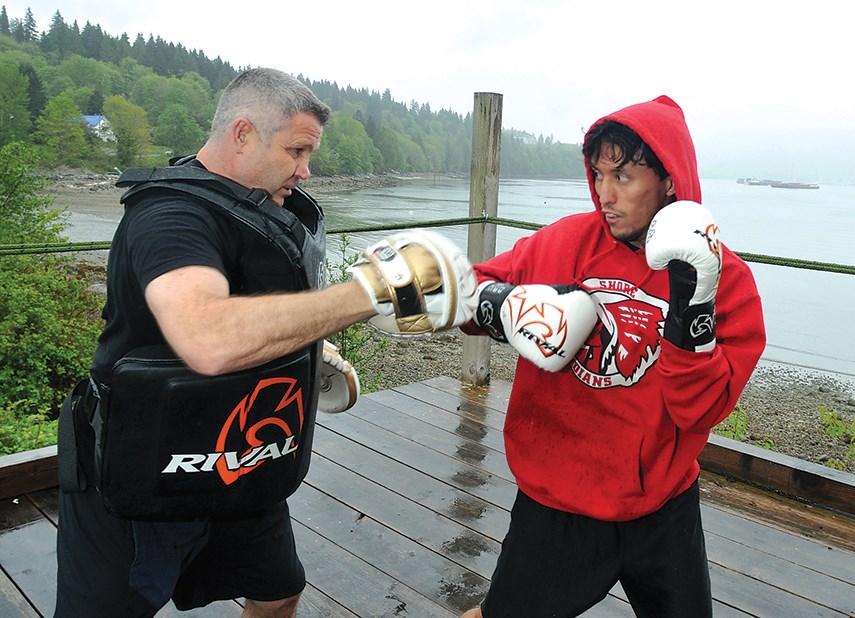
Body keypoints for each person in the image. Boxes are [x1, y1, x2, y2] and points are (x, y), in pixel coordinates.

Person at [55, 67, 475, 617]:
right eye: (296, 151)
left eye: (310, 155)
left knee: (278, 592)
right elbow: (206, 337)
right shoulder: (170, 216)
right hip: (140, 462)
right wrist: (371, 292)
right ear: (243, 133)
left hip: (241, 452)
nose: (304, 171)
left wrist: (306, 353)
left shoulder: (260, 211)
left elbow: (253, 310)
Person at [460, 95, 766, 617]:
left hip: (662, 507)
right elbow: (469, 292)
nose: (605, 194)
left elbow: (700, 411)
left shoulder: (727, 281)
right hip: (557, 504)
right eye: (599, 175)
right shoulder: (561, 244)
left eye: (623, 177)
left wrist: (692, 307)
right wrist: (508, 307)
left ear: (668, 180)